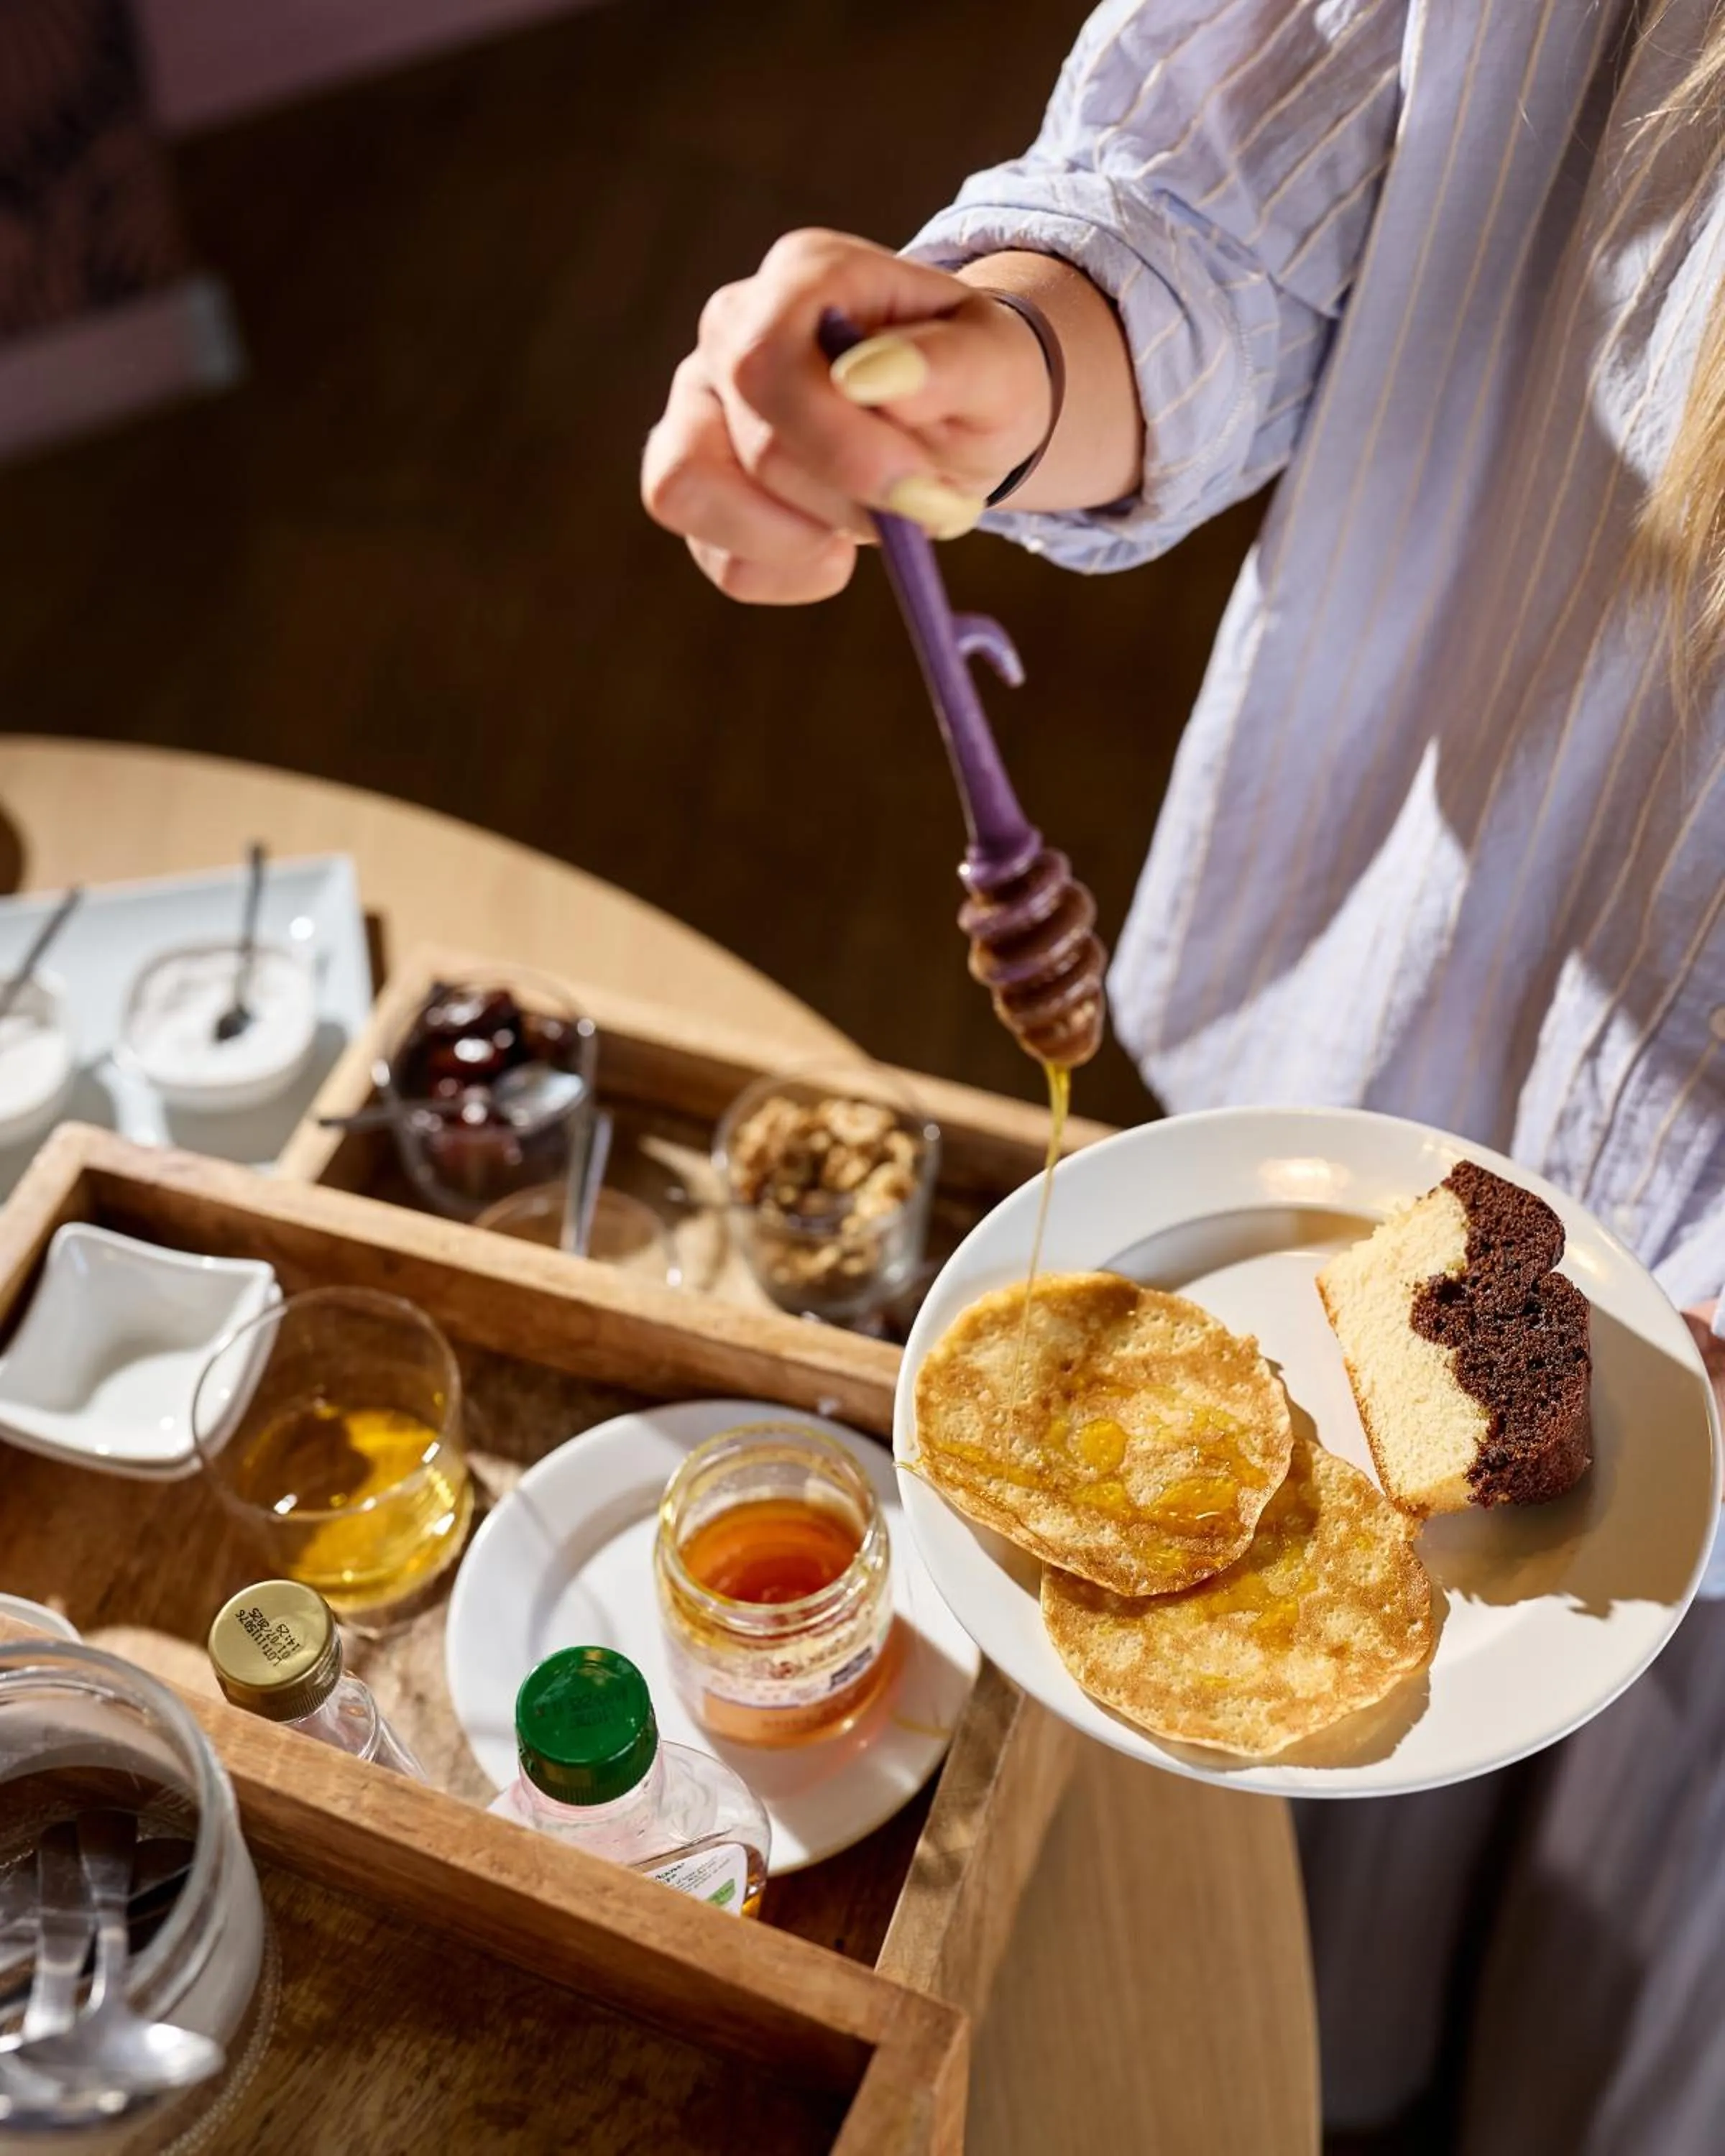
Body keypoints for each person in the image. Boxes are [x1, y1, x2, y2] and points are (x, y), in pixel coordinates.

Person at [643, 1, 1725, 2147]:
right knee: (1302, 1911)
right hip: (1415, 1102)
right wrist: (993, 372)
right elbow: (1239, 197)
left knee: (1632, 2038)